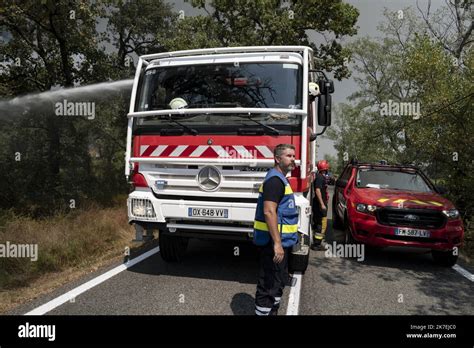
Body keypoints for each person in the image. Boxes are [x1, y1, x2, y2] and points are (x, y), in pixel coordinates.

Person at [253, 144, 299, 316]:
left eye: (294, 156)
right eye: (289, 156)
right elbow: (269, 211)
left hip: (281, 242)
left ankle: (273, 311)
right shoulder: (274, 181)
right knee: (269, 284)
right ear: (278, 159)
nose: (293, 159)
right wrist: (277, 244)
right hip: (272, 243)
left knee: (278, 282)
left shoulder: (281, 178)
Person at [311, 160, 330, 249]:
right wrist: (322, 204)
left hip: (319, 204)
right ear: (325, 169)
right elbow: (317, 190)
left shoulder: (320, 177)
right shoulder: (320, 178)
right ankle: (317, 244)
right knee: (320, 224)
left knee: (319, 223)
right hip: (319, 205)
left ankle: (317, 242)